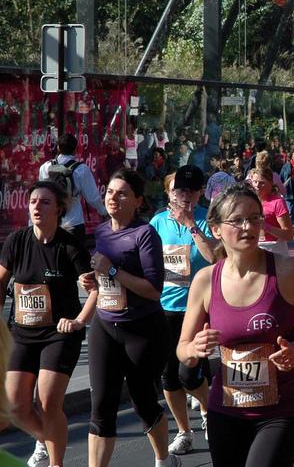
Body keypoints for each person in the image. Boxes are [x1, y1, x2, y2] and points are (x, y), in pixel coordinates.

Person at [177, 184, 294, 467]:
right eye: (237, 220)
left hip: (280, 408)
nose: (248, 226)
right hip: (225, 408)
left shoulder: (288, 271)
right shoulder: (205, 280)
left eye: (254, 217)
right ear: (216, 229)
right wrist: (194, 348)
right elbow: (183, 349)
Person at [82, 168, 178, 467]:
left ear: (138, 200)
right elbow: (104, 279)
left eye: (122, 193)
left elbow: (153, 289)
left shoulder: (144, 233)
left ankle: (164, 459)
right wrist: (90, 280)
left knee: (143, 403)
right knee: (101, 407)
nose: (114, 197)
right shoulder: (100, 231)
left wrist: (111, 270)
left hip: (142, 329)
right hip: (104, 325)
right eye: (110, 191)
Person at [1, 181, 96, 467]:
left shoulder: (69, 246)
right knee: (16, 406)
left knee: (47, 403)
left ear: (59, 209)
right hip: (22, 332)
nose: (37, 207)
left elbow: (94, 288)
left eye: (44, 202)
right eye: (33, 202)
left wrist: (79, 321)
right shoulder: (17, 241)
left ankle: (56, 463)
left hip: (59, 333)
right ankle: (47, 437)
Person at [150, 166, 220, 456]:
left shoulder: (207, 220)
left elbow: (214, 255)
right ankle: (183, 430)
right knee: (168, 377)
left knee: (189, 375)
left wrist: (191, 224)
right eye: (179, 190)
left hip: (198, 308)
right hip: (164, 306)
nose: (184, 196)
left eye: (191, 191)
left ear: (200, 193)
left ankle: (208, 411)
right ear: (169, 192)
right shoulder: (157, 222)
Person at [37, 134, 107, 248]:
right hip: (74, 223)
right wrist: (104, 212)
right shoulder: (81, 169)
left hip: (51, 222)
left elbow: (41, 193)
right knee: (75, 261)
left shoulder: (45, 167)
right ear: (75, 149)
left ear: (58, 148)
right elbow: (92, 198)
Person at [247, 166, 294, 257]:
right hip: (253, 249)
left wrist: (266, 227)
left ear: (271, 183)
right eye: (255, 182)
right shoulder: (249, 201)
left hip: (274, 250)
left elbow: (289, 235)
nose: (257, 185)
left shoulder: (277, 202)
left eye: (262, 183)